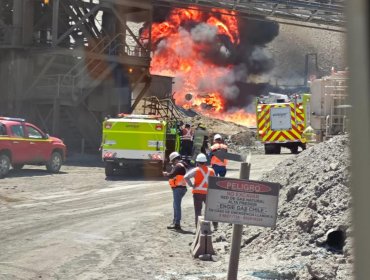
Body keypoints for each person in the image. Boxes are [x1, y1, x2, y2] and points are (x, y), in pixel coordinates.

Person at [184, 153, 218, 231]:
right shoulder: (211, 171)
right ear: (205, 162)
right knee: (211, 210)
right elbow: (215, 181)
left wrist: (191, 185)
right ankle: (215, 226)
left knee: (198, 211)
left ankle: (198, 228)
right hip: (208, 194)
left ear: (197, 162)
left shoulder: (196, 170)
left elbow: (186, 177)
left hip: (197, 193)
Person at [163, 151, 188, 230]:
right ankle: (175, 222)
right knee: (175, 205)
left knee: (177, 206)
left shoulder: (178, 166)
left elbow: (171, 175)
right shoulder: (183, 165)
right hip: (181, 188)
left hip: (178, 188)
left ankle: (177, 223)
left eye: (172, 161)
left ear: (174, 159)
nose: (172, 163)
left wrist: (166, 173)